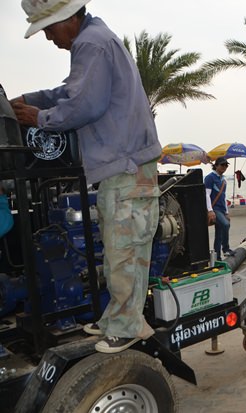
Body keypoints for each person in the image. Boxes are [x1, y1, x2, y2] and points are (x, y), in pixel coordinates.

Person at [11, 0, 162, 353]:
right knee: (120, 250)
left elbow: (83, 106)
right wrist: (28, 100)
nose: (49, 38)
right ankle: (117, 318)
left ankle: (125, 327)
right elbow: (70, 92)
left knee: (123, 250)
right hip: (125, 167)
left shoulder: (90, 44)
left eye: (49, 29)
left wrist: (38, 118)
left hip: (125, 167)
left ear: (67, 17)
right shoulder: (95, 39)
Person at [205, 157, 234, 260]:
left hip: (221, 208)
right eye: (222, 165)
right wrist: (210, 210)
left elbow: (223, 196)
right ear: (216, 165)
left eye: (226, 165)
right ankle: (226, 249)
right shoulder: (210, 178)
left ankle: (217, 257)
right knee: (226, 225)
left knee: (219, 232)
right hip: (215, 208)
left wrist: (226, 212)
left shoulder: (223, 180)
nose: (224, 167)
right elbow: (207, 195)